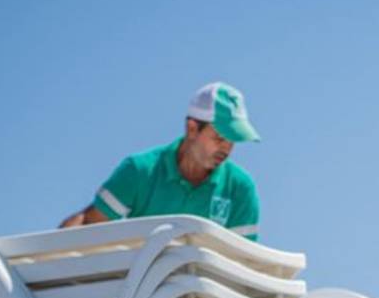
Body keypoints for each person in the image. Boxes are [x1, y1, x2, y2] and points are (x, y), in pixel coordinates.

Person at [60, 82, 262, 240]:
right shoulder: (140, 171)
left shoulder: (240, 188)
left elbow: (247, 262)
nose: (226, 148)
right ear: (192, 129)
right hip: (143, 290)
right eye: (219, 138)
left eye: (232, 140)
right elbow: (88, 224)